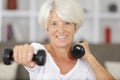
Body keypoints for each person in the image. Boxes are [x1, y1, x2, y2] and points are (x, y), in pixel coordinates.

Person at [13, 0, 115, 80]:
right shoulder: (39, 51)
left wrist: (89, 57)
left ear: (75, 28)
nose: (61, 30)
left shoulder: (85, 64)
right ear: (47, 29)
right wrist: (23, 52)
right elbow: (29, 54)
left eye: (67, 23)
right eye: (54, 24)